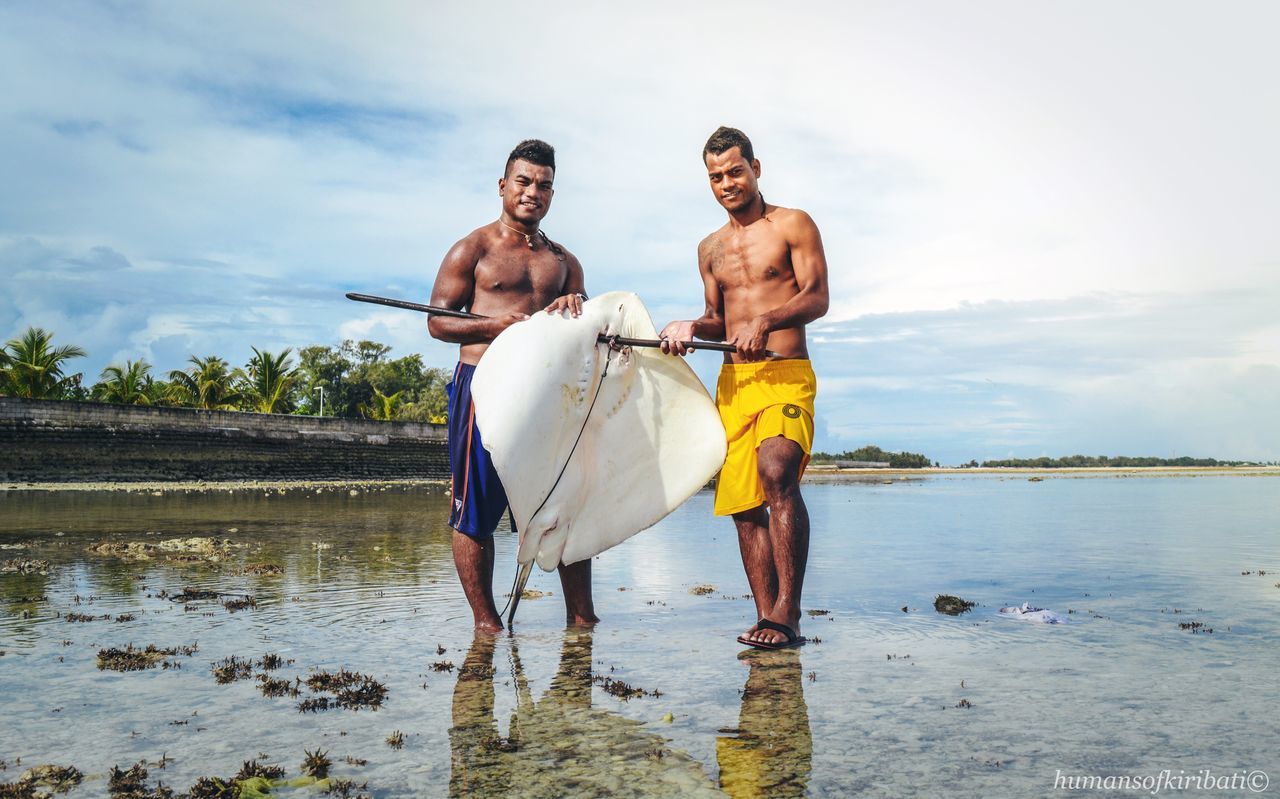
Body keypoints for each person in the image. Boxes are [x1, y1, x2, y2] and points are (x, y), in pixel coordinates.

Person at [661, 126, 829, 649]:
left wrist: (768, 320)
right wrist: (690, 327)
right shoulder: (709, 248)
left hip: (785, 374)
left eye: (736, 171)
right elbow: (718, 318)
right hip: (734, 383)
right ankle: (765, 615)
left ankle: (788, 613)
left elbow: (818, 297)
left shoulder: (793, 224)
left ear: (757, 167)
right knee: (742, 505)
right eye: (716, 176)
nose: (727, 183)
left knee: (777, 472)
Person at [428, 139, 597, 632]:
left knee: (561, 504)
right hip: (484, 385)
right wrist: (491, 325)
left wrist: (577, 309)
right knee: (474, 509)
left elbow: (586, 327)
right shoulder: (472, 249)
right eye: (523, 182)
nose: (532, 192)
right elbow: (438, 323)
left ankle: (581, 619)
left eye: (544, 185)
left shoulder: (564, 262)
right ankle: (487, 625)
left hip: (546, 396)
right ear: (503, 186)